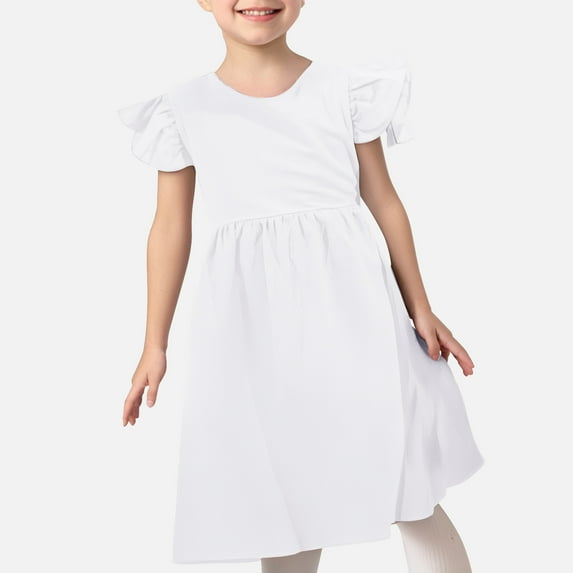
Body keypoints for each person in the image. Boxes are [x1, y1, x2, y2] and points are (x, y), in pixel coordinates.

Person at [117, 1, 485, 572]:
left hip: (358, 313)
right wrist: (153, 343)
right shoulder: (183, 109)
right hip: (255, 331)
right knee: (284, 489)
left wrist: (421, 305)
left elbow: (384, 199)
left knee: (404, 477)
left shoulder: (343, 90)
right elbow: (169, 228)